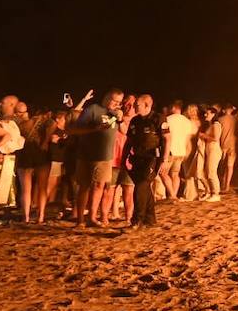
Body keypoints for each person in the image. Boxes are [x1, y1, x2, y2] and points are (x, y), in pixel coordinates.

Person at [69, 89, 125, 228]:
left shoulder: (115, 113)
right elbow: (76, 130)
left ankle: (92, 217)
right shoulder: (93, 110)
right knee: (84, 187)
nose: (116, 104)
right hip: (86, 156)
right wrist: (95, 129)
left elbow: (123, 131)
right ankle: (80, 219)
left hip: (105, 156)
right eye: (114, 101)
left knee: (100, 186)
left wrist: (121, 118)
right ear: (106, 98)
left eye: (119, 102)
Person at [123, 94, 166, 227]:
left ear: (147, 105)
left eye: (137, 105)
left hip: (153, 157)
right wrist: (124, 157)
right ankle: (150, 219)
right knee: (145, 188)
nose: (134, 107)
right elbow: (129, 140)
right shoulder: (135, 120)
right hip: (137, 157)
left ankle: (137, 220)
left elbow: (167, 139)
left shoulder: (158, 118)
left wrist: (164, 159)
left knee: (141, 185)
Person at [162, 100, 194, 201]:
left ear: (173, 108)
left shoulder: (167, 119)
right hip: (181, 151)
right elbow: (188, 139)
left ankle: (172, 194)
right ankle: (174, 195)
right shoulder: (187, 122)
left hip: (170, 150)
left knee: (163, 173)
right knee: (175, 174)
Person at [217, 104, 238, 194]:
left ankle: (221, 183)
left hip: (222, 144)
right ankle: (227, 185)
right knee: (230, 166)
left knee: (221, 165)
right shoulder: (236, 119)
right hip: (233, 144)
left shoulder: (220, 119)